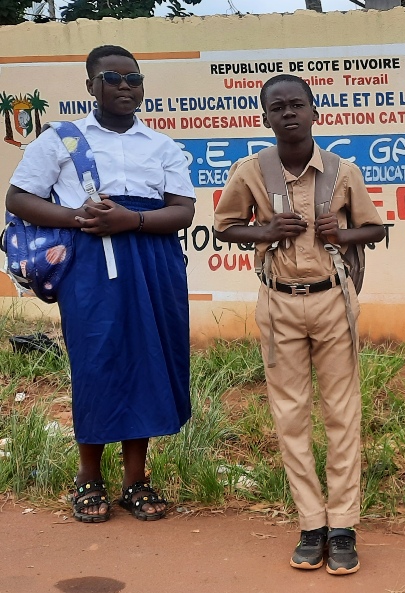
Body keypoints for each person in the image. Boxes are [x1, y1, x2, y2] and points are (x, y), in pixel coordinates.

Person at [5, 45, 195, 523]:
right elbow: (19, 197)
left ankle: (136, 480)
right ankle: (88, 476)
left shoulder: (162, 146)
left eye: (134, 78)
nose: (126, 85)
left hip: (153, 259)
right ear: (91, 86)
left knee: (149, 361)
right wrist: (77, 218)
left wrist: (130, 220)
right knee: (96, 360)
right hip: (90, 262)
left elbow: (183, 211)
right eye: (112, 78)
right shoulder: (60, 140)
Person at [214, 74, 385, 574]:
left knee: (341, 412)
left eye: (298, 105)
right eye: (278, 107)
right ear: (265, 117)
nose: (289, 113)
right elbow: (224, 226)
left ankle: (343, 526)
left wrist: (347, 231)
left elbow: (376, 228)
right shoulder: (251, 171)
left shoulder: (340, 170)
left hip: (332, 300)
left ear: (315, 112)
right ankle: (311, 522)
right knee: (289, 415)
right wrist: (264, 230)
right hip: (279, 300)